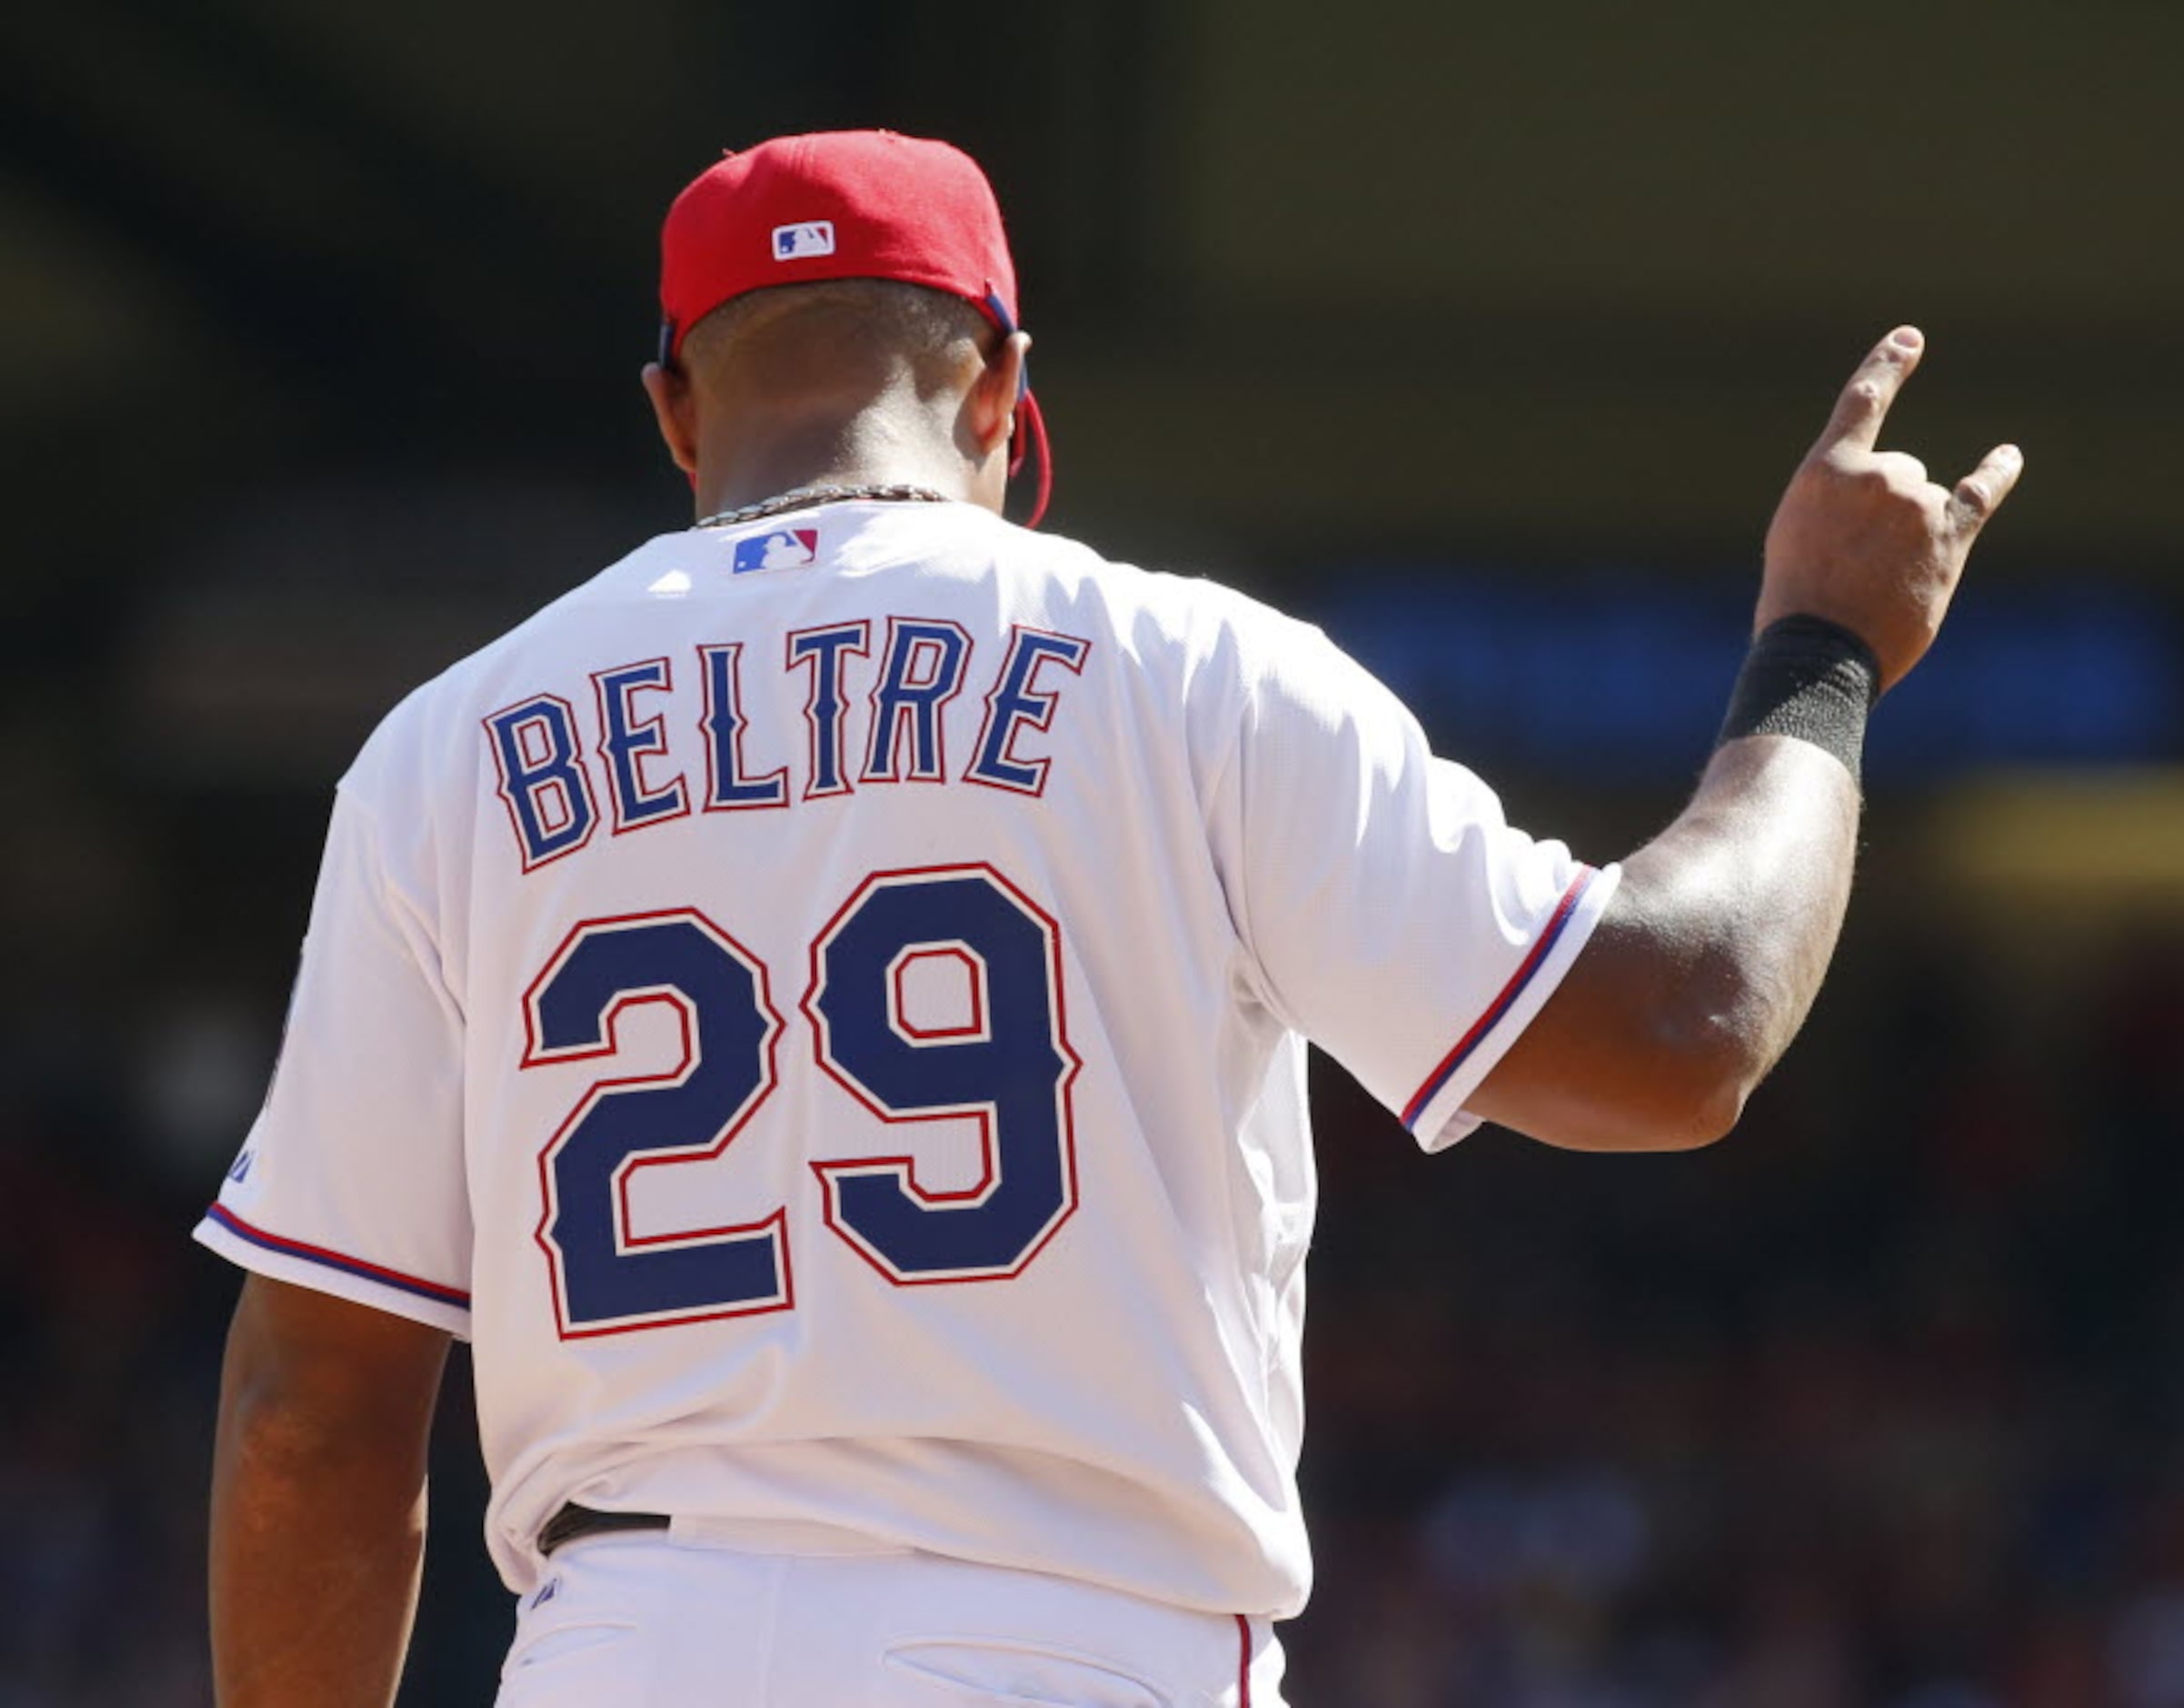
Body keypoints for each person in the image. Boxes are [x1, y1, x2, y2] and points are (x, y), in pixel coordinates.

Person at [200, 130, 2020, 1707]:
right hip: (1069, 1633)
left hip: (622, 1643)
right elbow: (1670, 1030)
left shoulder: (445, 752)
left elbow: (313, 1415)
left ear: (676, 412)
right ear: (1001, 388)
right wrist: (1822, 656)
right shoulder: (1185, 671)